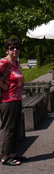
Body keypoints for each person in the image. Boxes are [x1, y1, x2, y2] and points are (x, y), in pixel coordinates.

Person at [0, 38, 27, 166]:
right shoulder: (4, 62)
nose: (15, 50)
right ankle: (5, 157)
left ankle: (13, 154)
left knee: (16, 128)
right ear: (7, 50)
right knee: (8, 129)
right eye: (12, 48)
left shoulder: (16, 63)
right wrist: (3, 86)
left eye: (17, 47)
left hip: (17, 99)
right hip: (7, 100)